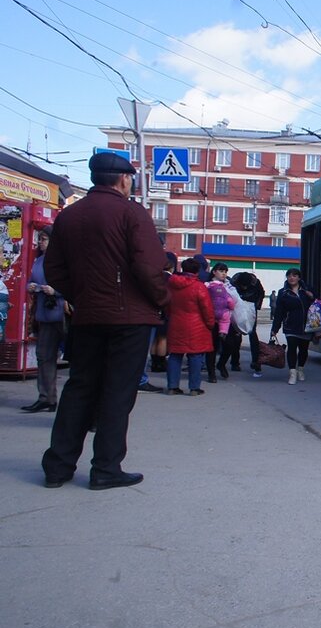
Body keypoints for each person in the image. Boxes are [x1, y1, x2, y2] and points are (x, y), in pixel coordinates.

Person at [40, 152, 169, 490]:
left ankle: (58, 467)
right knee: (117, 392)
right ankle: (106, 468)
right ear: (124, 179)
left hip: (88, 315)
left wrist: (81, 295)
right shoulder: (131, 213)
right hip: (130, 318)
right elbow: (148, 267)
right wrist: (160, 299)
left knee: (79, 387)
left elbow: (54, 269)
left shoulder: (69, 216)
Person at [21, 227, 66, 413]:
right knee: (44, 356)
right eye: (40, 239)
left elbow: (72, 285)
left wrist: (55, 291)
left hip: (62, 314)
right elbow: (30, 279)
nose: (41, 243)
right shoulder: (39, 261)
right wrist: (30, 286)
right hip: (44, 313)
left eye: (45, 239)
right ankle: (46, 397)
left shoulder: (64, 262)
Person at [165, 258, 215, 396]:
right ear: (197, 270)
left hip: (176, 323)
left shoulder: (172, 284)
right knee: (195, 356)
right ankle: (194, 387)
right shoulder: (199, 287)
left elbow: (167, 304)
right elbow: (207, 308)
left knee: (175, 355)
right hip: (196, 325)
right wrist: (210, 323)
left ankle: (172, 386)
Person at [269, 267, 314, 385]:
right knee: (292, 349)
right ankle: (292, 373)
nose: (291, 278)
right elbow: (279, 312)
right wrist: (274, 329)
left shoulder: (307, 290)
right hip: (290, 325)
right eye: (289, 276)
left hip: (306, 326)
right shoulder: (283, 292)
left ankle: (301, 369)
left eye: (294, 275)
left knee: (303, 350)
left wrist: (312, 297)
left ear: (299, 277)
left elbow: (316, 305)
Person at [205, 262, 238, 381]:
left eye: (225, 271)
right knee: (211, 347)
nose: (224, 274)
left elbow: (235, 300)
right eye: (221, 271)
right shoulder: (207, 285)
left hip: (226, 319)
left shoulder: (229, 286)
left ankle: (221, 364)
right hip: (211, 319)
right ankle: (211, 372)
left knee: (230, 344)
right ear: (214, 272)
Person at [230, 270, 266, 377]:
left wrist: (256, 307)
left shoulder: (256, 283)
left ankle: (256, 361)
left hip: (250, 308)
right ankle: (235, 362)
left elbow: (261, 294)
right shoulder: (234, 282)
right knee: (236, 335)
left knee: (252, 334)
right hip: (238, 309)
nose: (244, 288)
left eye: (246, 286)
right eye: (242, 286)